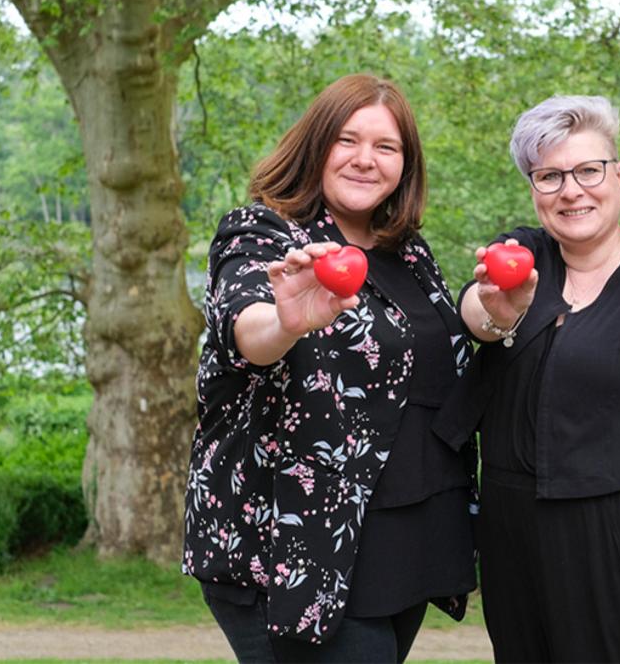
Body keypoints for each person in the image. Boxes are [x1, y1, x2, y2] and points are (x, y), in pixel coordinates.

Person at [181, 74, 476, 663]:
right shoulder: (264, 234)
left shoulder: (409, 252)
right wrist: (288, 322)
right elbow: (248, 332)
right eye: (348, 140)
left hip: (400, 543)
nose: (366, 160)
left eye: (386, 147)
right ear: (315, 145)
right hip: (294, 550)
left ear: (405, 164)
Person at [433, 95, 620, 663]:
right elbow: (472, 310)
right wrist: (501, 311)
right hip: (511, 538)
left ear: (619, 176)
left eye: (588, 170)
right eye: (550, 176)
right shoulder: (524, 255)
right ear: (534, 190)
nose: (571, 190)